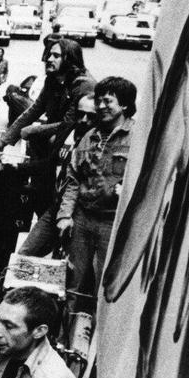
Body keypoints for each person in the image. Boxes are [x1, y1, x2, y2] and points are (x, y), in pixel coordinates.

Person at [0, 38, 95, 256]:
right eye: (49, 54)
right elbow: (34, 111)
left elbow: (70, 123)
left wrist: (34, 131)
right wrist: (3, 141)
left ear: (70, 59)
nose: (49, 59)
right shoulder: (52, 80)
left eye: (56, 55)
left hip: (66, 149)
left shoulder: (83, 86)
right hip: (51, 153)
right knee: (43, 204)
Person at [57, 76, 136, 321]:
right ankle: (65, 336)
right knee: (72, 284)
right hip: (82, 219)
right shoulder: (89, 136)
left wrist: (128, 189)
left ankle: (96, 348)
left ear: (124, 105)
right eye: (99, 100)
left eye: (108, 100)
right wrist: (65, 215)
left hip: (112, 225)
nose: (101, 106)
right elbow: (73, 178)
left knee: (107, 289)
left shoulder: (138, 137)